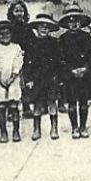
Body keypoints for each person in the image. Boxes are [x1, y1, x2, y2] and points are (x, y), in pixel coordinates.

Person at [56, 9, 91, 138]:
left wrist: (84, 69)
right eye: (70, 22)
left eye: (76, 21)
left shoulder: (86, 37)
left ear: (81, 23)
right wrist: (71, 70)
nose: (73, 24)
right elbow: (61, 58)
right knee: (72, 102)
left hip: (84, 75)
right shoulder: (63, 39)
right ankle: (74, 127)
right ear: (67, 24)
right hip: (70, 75)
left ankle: (83, 126)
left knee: (83, 102)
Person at [22, 12, 62, 141]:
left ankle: (54, 127)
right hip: (37, 78)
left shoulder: (54, 43)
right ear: (36, 28)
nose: (44, 29)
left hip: (51, 77)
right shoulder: (31, 43)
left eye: (46, 27)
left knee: (52, 102)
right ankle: (36, 128)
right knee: (37, 104)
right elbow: (27, 63)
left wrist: (58, 77)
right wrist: (29, 79)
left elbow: (58, 61)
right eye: (41, 26)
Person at [0, 21, 25, 143]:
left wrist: (12, 77)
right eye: (2, 34)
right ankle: (3, 132)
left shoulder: (16, 47)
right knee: (2, 107)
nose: (5, 36)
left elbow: (18, 63)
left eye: (7, 33)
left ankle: (15, 131)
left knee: (14, 106)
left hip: (13, 81)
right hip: (0, 82)